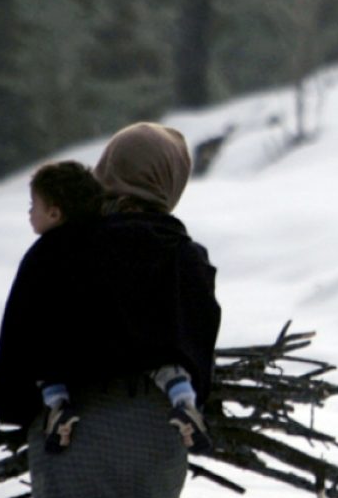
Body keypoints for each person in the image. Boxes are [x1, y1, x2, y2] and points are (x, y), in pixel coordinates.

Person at [0, 123, 222, 498]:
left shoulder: (58, 247)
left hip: (69, 427)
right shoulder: (185, 257)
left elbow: (21, 343)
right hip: (149, 429)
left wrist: (23, 406)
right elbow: (197, 352)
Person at [24, 160, 212, 457]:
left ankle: (58, 405)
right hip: (156, 407)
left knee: (48, 367)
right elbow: (199, 330)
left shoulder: (61, 247)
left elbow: (26, 324)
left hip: (78, 384)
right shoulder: (182, 249)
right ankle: (183, 400)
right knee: (169, 366)